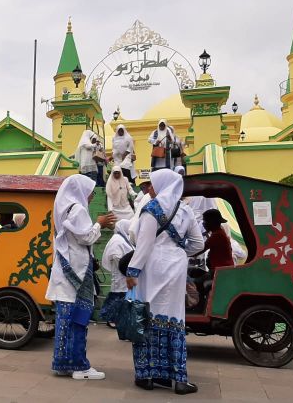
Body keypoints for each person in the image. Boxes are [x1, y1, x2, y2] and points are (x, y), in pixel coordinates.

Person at [125, 169, 204, 395]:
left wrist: (132, 271)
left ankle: (147, 375)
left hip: (152, 267)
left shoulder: (151, 209)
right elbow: (197, 245)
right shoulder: (186, 211)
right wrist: (178, 252)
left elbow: (145, 244)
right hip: (176, 269)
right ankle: (178, 379)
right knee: (174, 319)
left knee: (146, 316)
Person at [46, 174, 116, 380]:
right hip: (76, 273)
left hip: (66, 272)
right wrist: (99, 224)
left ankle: (63, 363)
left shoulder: (63, 209)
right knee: (78, 318)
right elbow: (86, 237)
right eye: (91, 191)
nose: (92, 195)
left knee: (65, 319)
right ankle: (79, 365)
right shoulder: (77, 209)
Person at [100, 218, 134, 327]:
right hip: (120, 274)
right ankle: (111, 320)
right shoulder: (117, 240)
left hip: (124, 274)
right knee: (117, 297)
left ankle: (117, 319)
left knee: (121, 297)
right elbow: (116, 256)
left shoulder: (124, 239)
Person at [200, 209, 234, 273]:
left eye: (205, 221)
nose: (203, 224)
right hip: (220, 270)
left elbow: (199, 249)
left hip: (221, 272)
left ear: (211, 223)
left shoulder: (217, 235)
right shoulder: (219, 233)